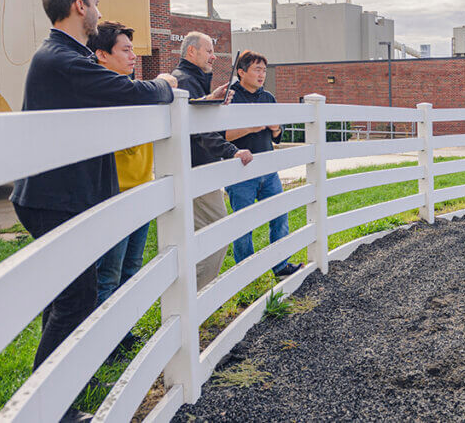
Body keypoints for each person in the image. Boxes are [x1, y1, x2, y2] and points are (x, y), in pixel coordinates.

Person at [10, 0, 176, 421]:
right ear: (79, 6)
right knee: (76, 299)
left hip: (60, 196)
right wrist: (166, 86)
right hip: (54, 198)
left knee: (66, 297)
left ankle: (54, 391)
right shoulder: (62, 59)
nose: (100, 11)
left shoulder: (64, 56)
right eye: (96, 2)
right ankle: (49, 406)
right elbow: (129, 92)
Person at [87, 22, 152, 345]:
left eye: (132, 50)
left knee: (132, 268)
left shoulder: (135, 90)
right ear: (102, 55)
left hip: (143, 191)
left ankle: (122, 332)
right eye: (125, 50)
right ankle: (103, 340)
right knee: (108, 273)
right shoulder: (101, 93)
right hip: (116, 195)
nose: (132, 57)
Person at [171, 31, 253, 289]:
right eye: (208, 50)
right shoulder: (183, 80)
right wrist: (231, 151)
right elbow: (199, 131)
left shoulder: (191, 80)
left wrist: (213, 101)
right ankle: (196, 299)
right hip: (196, 170)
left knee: (202, 236)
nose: (214, 56)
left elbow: (200, 119)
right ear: (191, 52)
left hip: (198, 169)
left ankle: (192, 301)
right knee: (219, 232)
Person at [224, 51, 303, 277]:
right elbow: (221, 135)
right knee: (244, 224)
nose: (262, 75)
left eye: (264, 71)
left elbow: (277, 135)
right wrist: (251, 127)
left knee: (279, 216)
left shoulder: (267, 97)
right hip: (240, 172)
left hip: (268, 170)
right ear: (241, 72)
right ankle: (247, 273)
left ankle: (280, 265)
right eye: (257, 70)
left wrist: (275, 127)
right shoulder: (230, 98)